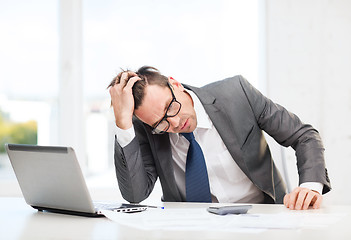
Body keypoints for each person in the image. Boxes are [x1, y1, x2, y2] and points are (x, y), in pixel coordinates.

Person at [108, 66, 331, 210]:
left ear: (175, 84)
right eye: (161, 124)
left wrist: (310, 187)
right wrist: (123, 123)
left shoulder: (236, 93)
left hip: (262, 220)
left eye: (170, 107)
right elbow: (135, 194)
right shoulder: (148, 128)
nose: (174, 124)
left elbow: (304, 136)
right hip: (191, 230)